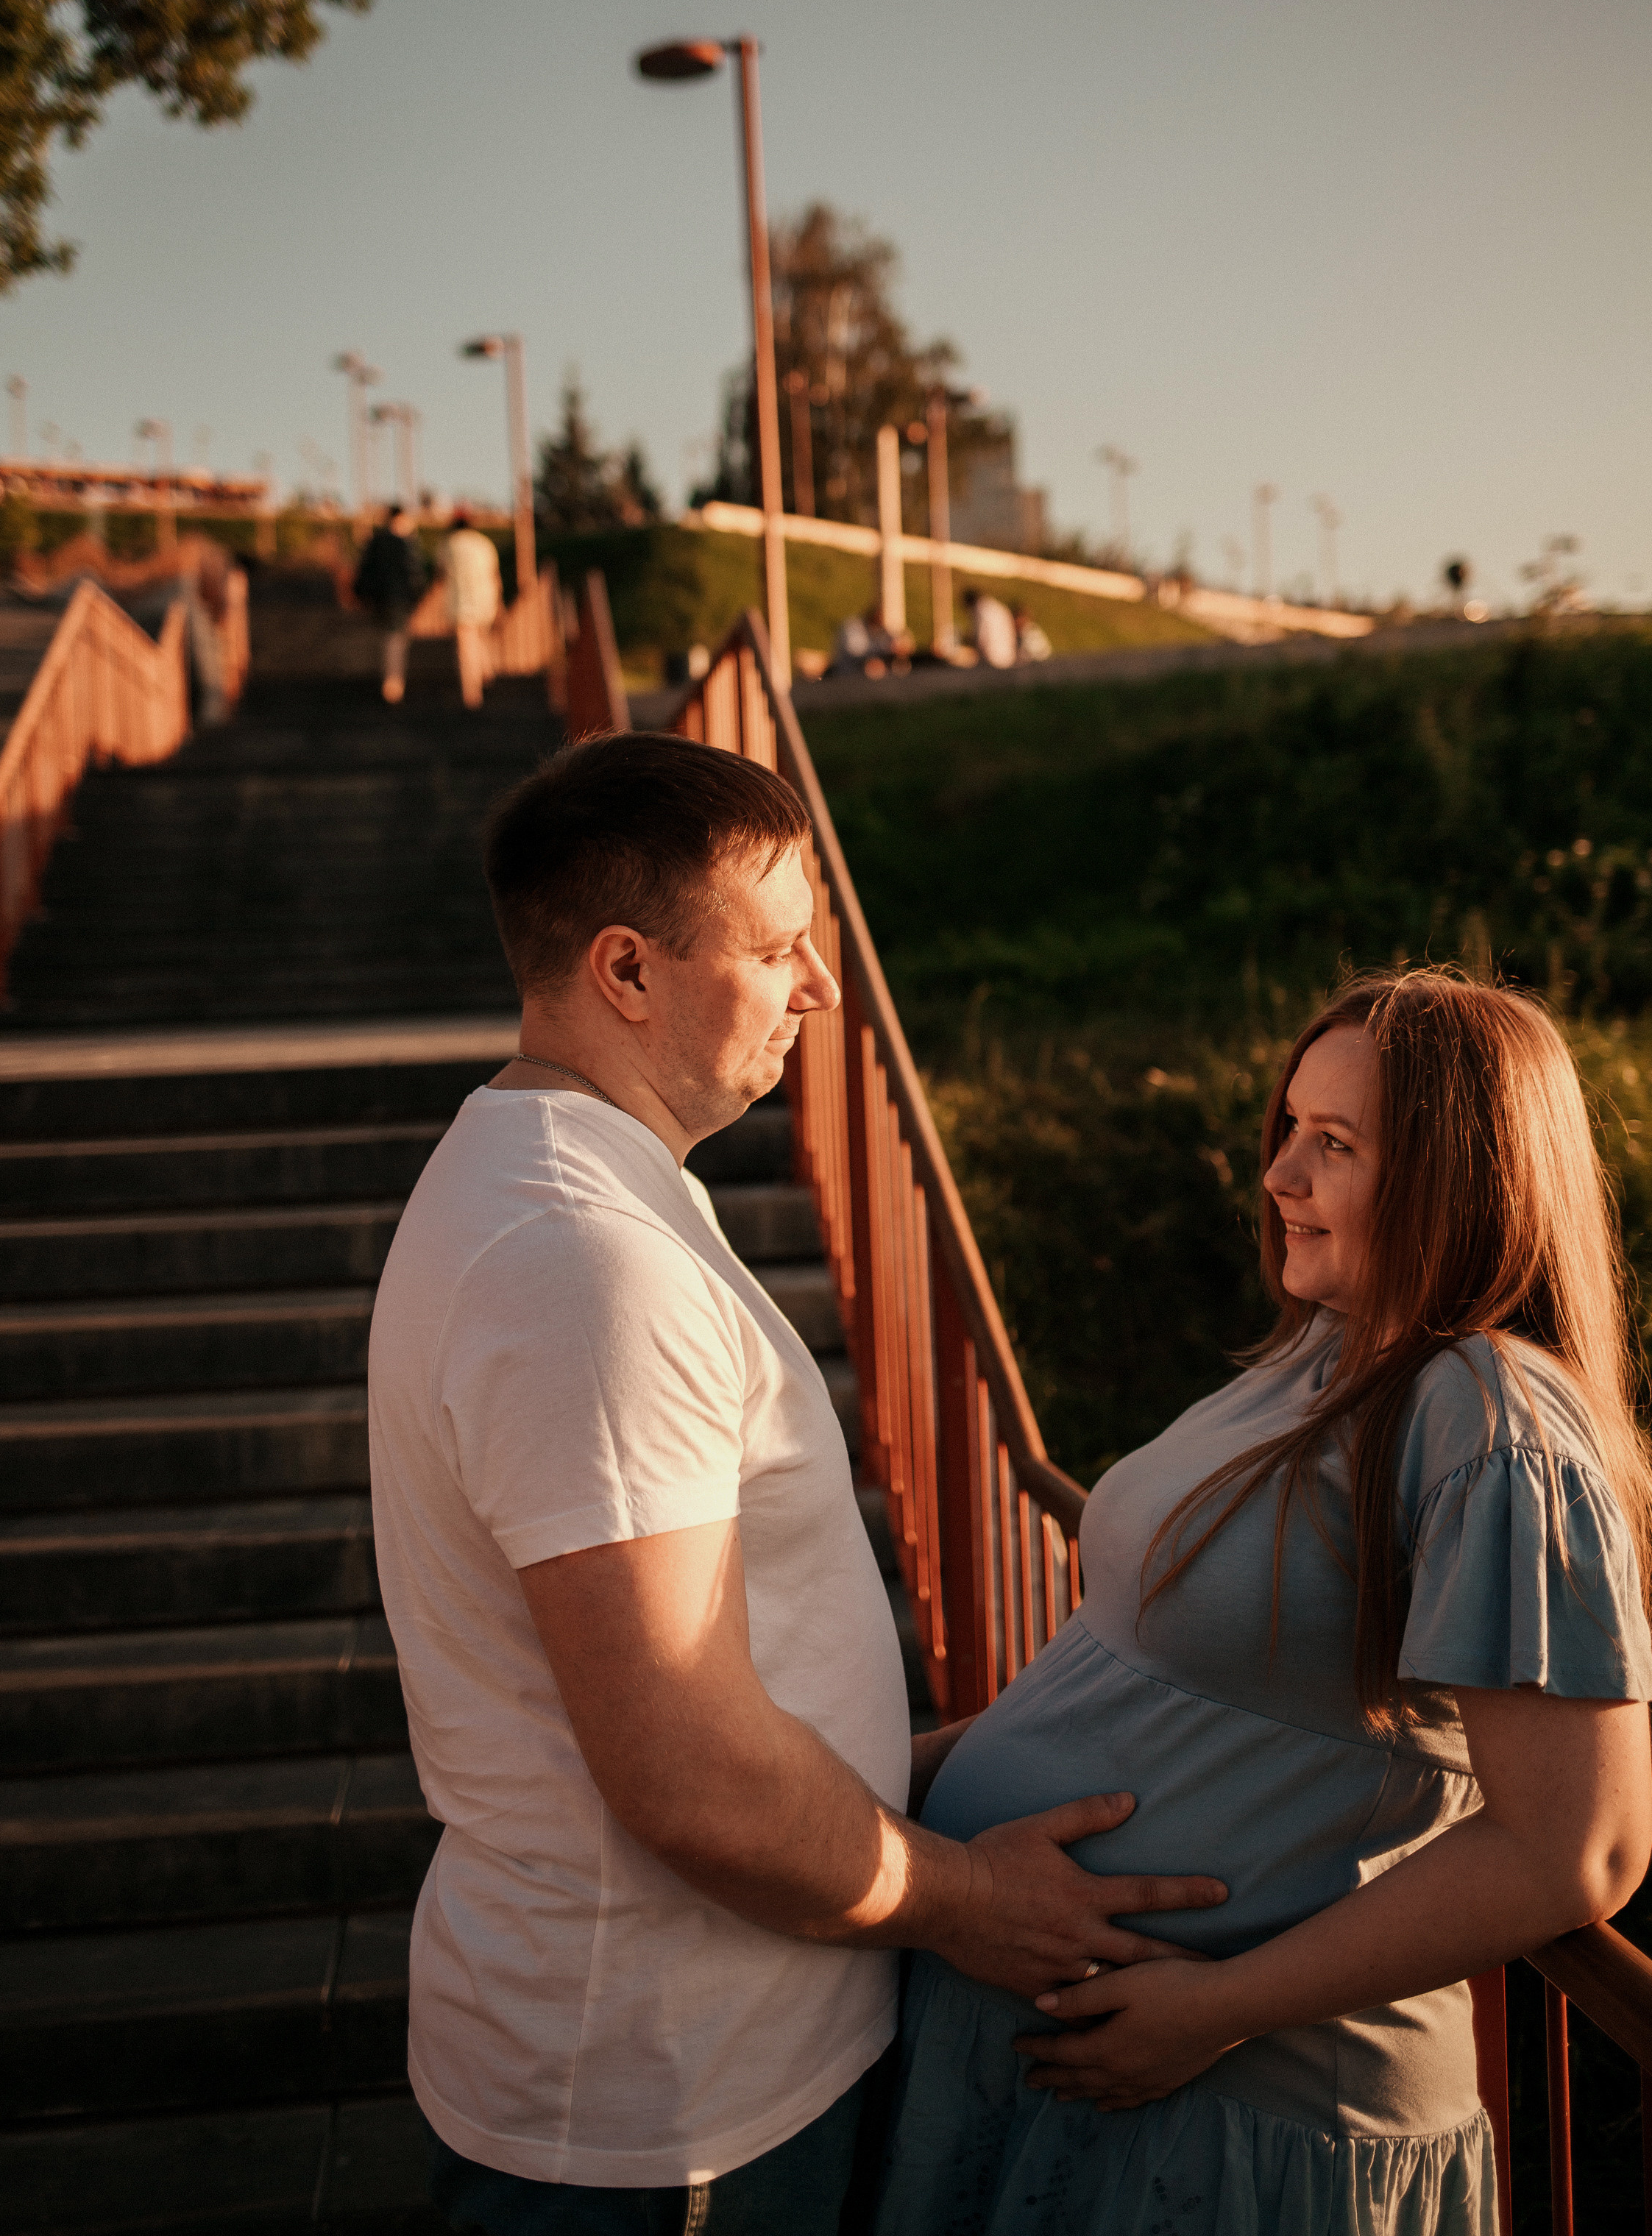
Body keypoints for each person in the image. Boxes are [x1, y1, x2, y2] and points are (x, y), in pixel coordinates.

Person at [366, 732, 1224, 2234]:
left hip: (686, 2060)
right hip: (662, 2119)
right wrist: (973, 1903)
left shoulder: (576, 1189)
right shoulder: (581, 1264)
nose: (819, 986)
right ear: (627, 973)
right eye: (776, 947)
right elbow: (686, 1777)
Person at [876, 968, 1652, 2235]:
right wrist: (877, 1789)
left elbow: (1583, 1846)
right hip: (1084, 2076)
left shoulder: (1491, 1420)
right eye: (1288, 1131)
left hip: (1246, 2119)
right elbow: (1137, 1670)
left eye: (1336, 1146)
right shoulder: (1321, 1355)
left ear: (1460, 1178)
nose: (1280, 1177)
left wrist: (1214, 2008)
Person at [353, 502, 429, 703]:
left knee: (387, 637)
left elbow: (364, 569)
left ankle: (389, 680)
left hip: (379, 598)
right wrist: (418, 596)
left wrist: (362, 595)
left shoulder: (375, 541)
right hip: (399, 598)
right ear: (400, 518)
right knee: (396, 639)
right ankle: (393, 684)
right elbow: (416, 575)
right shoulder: (406, 544)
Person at [444, 508, 503, 709]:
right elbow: (495, 574)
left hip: (461, 602)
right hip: (486, 599)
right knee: (479, 638)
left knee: (466, 648)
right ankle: (486, 672)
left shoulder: (449, 544)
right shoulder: (485, 543)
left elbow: (440, 573)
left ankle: (471, 693)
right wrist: (499, 602)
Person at [970, 592, 1018, 669]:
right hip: (1009, 656)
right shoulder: (997, 607)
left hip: (993, 659)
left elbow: (981, 638)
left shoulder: (981, 610)